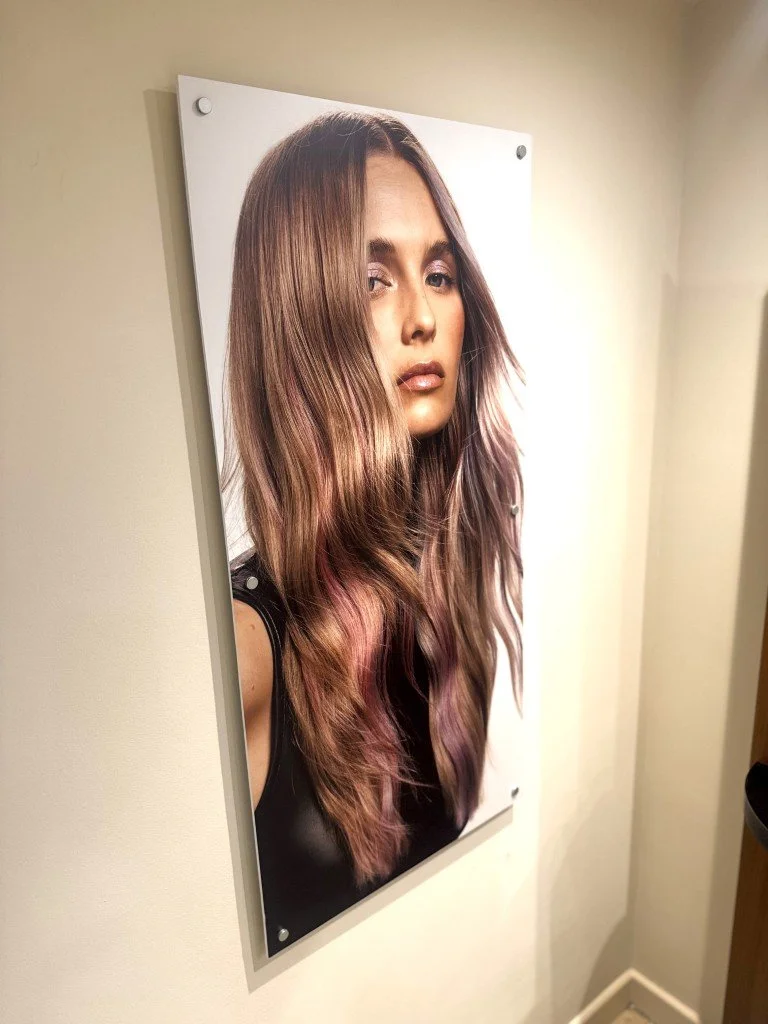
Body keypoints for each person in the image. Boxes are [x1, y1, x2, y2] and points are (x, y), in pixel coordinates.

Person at [221, 109, 523, 955]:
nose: (422, 318)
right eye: (372, 280)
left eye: (438, 271)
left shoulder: (455, 579)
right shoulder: (248, 647)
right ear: (298, 316)